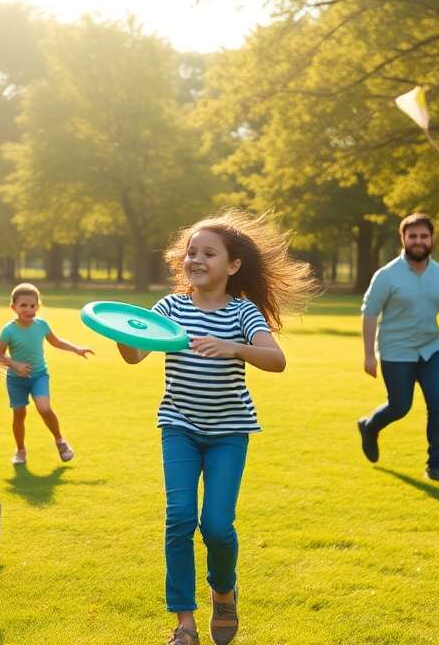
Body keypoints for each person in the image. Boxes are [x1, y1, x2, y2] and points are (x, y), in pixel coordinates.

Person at [116, 210, 318, 645]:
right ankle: (184, 625)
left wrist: (232, 348)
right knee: (180, 518)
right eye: (191, 252)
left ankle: (223, 590)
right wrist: (120, 331)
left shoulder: (242, 313)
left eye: (209, 253)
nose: (196, 259)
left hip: (229, 432)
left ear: (233, 265)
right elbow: (133, 356)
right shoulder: (169, 308)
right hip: (179, 426)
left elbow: (276, 360)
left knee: (218, 527)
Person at [355, 213, 439, 487]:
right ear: (403, 239)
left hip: (431, 351)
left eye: (424, 236)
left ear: (432, 239)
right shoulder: (386, 275)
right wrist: (369, 355)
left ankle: (436, 467)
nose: (418, 241)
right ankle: (370, 427)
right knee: (400, 406)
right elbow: (369, 313)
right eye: (413, 236)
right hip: (396, 351)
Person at [0, 282, 93, 465]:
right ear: (13, 307)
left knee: (44, 408)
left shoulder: (41, 325)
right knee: (19, 414)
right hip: (16, 380)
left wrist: (76, 349)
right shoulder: (8, 330)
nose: (29, 309)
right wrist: (15, 365)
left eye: (32, 305)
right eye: (23, 305)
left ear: (38, 306)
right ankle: (20, 451)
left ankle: (60, 442)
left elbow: (56, 342)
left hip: (39, 376)